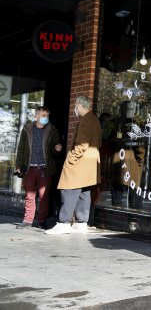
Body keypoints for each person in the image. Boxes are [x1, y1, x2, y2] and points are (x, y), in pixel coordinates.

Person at [46, 95, 102, 235]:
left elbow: (81, 144)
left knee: (69, 189)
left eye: (75, 106)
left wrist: (70, 159)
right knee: (84, 192)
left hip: (79, 162)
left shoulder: (85, 121)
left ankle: (64, 222)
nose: (74, 109)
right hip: (90, 163)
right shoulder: (95, 120)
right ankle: (82, 223)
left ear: (79, 106)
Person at [14, 106, 62, 229]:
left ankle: (42, 220)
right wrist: (19, 165)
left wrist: (57, 148)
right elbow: (21, 149)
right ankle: (27, 220)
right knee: (29, 195)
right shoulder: (27, 129)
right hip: (29, 168)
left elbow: (55, 147)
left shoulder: (52, 129)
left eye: (47, 115)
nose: (45, 118)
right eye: (43, 115)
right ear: (36, 116)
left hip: (44, 169)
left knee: (44, 196)